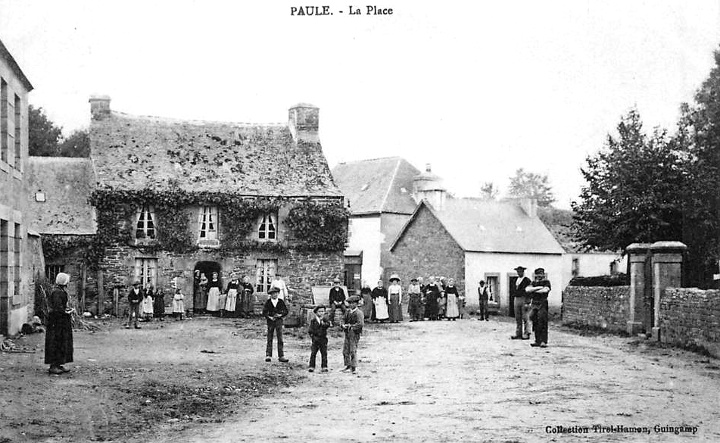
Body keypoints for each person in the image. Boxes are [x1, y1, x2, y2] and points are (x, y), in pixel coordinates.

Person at [45, 273, 74, 375]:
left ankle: (59, 363)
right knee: (56, 341)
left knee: (62, 342)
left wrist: (66, 310)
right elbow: (57, 307)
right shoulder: (57, 292)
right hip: (57, 322)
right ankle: (53, 366)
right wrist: (65, 311)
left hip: (61, 321)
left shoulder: (60, 291)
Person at [262, 286, 289, 362]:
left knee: (280, 338)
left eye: (276, 293)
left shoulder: (281, 302)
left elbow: (286, 311)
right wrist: (269, 317)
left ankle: (281, 356)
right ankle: (268, 355)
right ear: (271, 294)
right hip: (270, 322)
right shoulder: (268, 302)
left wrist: (280, 315)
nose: (275, 295)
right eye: (273, 294)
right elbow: (264, 312)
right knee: (269, 338)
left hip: (278, 321)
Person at [526, 268, 551, 348]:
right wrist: (539, 288)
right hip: (534, 303)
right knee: (535, 321)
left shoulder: (546, 282)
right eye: (537, 274)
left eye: (541, 274)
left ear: (543, 274)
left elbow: (545, 290)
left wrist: (534, 290)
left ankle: (543, 341)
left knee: (542, 321)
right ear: (535, 275)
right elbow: (527, 289)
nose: (539, 276)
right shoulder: (533, 282)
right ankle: (537, 340)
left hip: (542, 302)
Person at [341, 296, 364, 374]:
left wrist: (351, 327)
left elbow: (360, 324)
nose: (351, 305)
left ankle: (354, 367)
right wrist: (343, 325)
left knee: (352, 350)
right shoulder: (347, 312)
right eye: (349, 303)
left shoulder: (359, 313)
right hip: (347, 333)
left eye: (353, 303)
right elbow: (343, 319)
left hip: (355, 333)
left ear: (356, 304)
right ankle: (347, 365)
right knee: (345, 350)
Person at [511, 266, 532, 340]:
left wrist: (528, 301)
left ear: (523, 272)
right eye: (518, 271)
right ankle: (518, 333)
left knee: (525, 317)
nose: (519, 273)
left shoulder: (527, 280)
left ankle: (527, 333)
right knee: (518, 317)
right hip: (517, 299)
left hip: (524, 299)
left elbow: (529, 292)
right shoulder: (516, 280)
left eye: (520, 271)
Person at [307, 305, 331, 373]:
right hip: (315, 339)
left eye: (323, 311)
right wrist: (313, 337)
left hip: (323, 339)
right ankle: (311, 366)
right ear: (316, 312)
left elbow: (328, 324)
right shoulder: (313, 320)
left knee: (324, 353)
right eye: (319, 311)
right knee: (313, 353)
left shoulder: (325, 320)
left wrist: (323, 323)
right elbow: (310, 330)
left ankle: (324, 366)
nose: (321, 313)